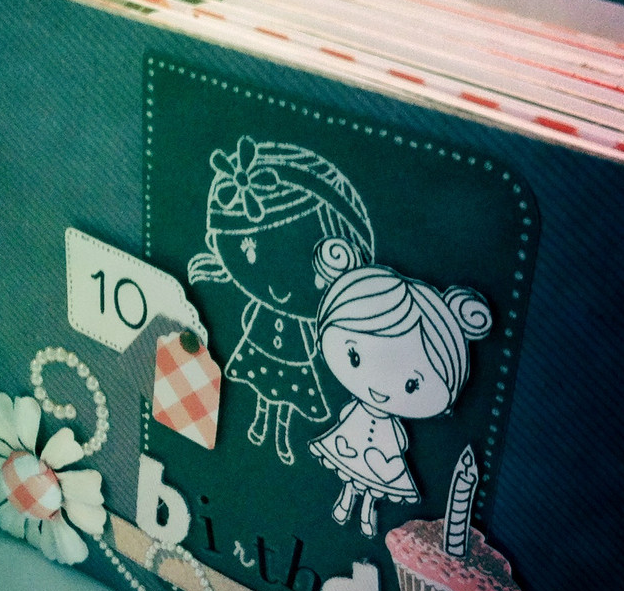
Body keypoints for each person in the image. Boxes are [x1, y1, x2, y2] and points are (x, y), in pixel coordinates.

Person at [187, 136, 374, 465]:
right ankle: (260, 423)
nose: (278, 289)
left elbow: (312, 342)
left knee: (285, 398)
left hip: (292, 355)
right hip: (263, 347)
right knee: (264, 390)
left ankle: (279, 437)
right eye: (250, 254)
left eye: (313, 270)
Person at [308, 237, 492, 537]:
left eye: (412, 384)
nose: (379, 391)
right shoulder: (357, 409)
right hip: (353, 443)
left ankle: (366, 513)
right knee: (352, 478)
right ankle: (345, 502)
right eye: (354, 356)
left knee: (372, 487)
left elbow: (399, 440)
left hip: (381, 455)